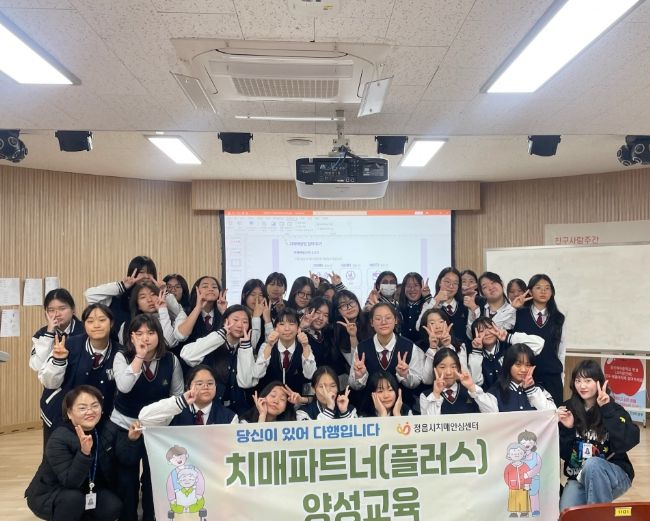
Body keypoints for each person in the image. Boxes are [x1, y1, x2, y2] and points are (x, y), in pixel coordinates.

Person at [25, 385, 142, 521]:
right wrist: (84, 453)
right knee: (73, 499)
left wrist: (131, 439)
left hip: (87, 489)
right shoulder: (59, 438)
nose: (90, 411)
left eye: (95, 406)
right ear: (69, 412)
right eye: (82, 408)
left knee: (111, 505)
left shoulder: (106, 429)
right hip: (51, 493)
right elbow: (70, 481)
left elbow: (126, 459)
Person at [110, 314, 184, 521]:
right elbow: (124, 387)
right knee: (127, 480)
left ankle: (152, 516)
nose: (145, 338)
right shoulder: (121, 357)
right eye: (139, 333)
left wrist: (160, 422)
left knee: (154, 479)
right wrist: (139, 356)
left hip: (157, 430)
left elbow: (177, 396)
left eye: (151, 333)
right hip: (124, 426)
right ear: (131, 337)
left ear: (159, 335)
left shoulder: (171, 360)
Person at [558, 360, 640, 510]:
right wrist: (568, 429)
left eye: (587, 381)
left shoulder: (613, 409)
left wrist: (606, 409)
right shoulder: (567, 409)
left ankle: (599, 515)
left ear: (598, 382)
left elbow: (628, 441)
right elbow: (564, 454)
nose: (582, 386)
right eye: (578, 380)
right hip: (578, 476)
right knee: (567, 512)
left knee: (593, 464)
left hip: (614, 474)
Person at [38, 304, 119, 447]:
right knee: (59, 456)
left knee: (94, 457)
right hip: (60, 413)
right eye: (90, 321)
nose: (96, 325)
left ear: (111, 323)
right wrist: (59, 360)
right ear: (84, 325)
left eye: (102, 320)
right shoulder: (68, 344)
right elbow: (49, 382)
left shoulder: (120, 352)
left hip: (98, 418)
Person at [180, 305, 256, 415]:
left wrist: (245, 347)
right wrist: (221, 334)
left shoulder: (247, 349)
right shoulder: (212, 341)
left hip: (237, 412)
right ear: (225, 321)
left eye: (245, 322)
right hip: (208, 410)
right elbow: (186, 355)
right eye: (235, 320)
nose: (240, 325)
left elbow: (246, 382)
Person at [349, 302, 424, 410]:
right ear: (371, 322)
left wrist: (405, 375)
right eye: (378, 319)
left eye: (388, 318)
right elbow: (353, 385)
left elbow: (416, 383)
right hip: (369, 410)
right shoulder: (361, 348)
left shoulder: (410, 347)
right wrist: (359, 376)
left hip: (403, 410)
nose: (383, 322)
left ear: (396, 320)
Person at [513, 274, 566, 406]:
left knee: (553, 413)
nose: (543, 291)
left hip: (552, 375)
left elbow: (561, 349)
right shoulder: (519, 314)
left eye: (547, 288)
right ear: (530, 291)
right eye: (538, 288)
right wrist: (512, 308)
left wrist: (561, 375)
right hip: (526, 375)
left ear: (552, 292)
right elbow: (499, 330)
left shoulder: (558, 318)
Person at [465, 344, 556, 413]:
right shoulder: (496, 391)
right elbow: (490, 415)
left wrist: (531, 390)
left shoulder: (539, 390)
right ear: (508, 365)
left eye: (528, 365)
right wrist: (471, 386)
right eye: (518, 364)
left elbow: (552, 414)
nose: (523, 370)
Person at [139, 365, 238, 426]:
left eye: (210, 383)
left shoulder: (230, 417)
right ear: (188, 387)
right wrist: (180, 402)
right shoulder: (175, 410)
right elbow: (144, 419)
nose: (206, 387)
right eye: (199, 384)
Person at [250, 308, 316, 398]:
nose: (287, 328)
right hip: (270, 399)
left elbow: (310, 375)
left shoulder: (305, 346)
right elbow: (257, 374)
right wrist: (269, 345)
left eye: (292, 324)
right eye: (282, 324)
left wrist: (305, 346)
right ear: (275, 328)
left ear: (298, 328)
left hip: (296, 400)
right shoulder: (266, 346)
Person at [84, 255, 158, 333]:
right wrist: (123, 285)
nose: (146, 276)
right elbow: (90, 295)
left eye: (150, 272)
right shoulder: (118, 296)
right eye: (142, 272)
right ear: (132, 273)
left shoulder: (158, 296)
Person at [467, 316, 544, 391]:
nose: (487, 333)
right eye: (481, 331)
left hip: (520, 395)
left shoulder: (510, 345)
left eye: (490, 328)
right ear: (475, 336)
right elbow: (476, 382)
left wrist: (508, 337)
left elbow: (538, 345)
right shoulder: (475, 356)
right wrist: (476, 352)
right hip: (491, 398)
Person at [30, 289, 84, 372]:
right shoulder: (41, 334)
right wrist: (49, 334)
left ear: (73, 309)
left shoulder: (86, 330)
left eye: (62, 309)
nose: (57, 314)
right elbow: (37, 366)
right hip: (53, 380)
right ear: (46, 313)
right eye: (51, 310)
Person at [418, 268, 469, 346]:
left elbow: (471, 333)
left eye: (455, 283)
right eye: (447, 282)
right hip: (435, 349)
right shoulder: (430, 303)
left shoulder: (465, 305)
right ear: (439, 282)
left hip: (461, 350)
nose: (451, 286)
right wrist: (436, 301)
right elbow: (419, 326)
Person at [420, 348, 479, 415]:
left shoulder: (471, 390)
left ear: (459, 368)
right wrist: (436, 394)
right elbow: (430, 421)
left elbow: (489, 412)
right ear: (435, 369)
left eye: (453, 367)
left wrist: (471, 387)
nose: (448, 372)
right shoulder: (426, 396)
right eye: (442, 367)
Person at [174, 276, 228, 347]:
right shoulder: (185, 312)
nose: (211, 289)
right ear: (196, 291)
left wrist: (224, 312)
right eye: (205, 286)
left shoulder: (223, 312)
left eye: (214, 287)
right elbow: (181, 336)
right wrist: (198, 308)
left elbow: (234, 335)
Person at [466, 271, 516, 339]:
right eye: (485, 287)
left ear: (501, 284)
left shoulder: (513, 310)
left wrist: (512, 308)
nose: (490, 287)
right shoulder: (478, 309)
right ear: (482, 294)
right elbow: (471, 336)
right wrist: (473, 311)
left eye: (493, 282)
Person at [398, 272, 432, 343]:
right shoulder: (398, 308)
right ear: (404, 288)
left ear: (421, 287)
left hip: (425, 346)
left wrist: (427, 297)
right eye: (408, 286)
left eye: (416, 285)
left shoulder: (428, 306)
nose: (412, 289)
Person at [240, 278, 272, 351]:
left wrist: (268, 321)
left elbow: (271, 343)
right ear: (244, 296)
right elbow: (252, 346)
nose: (257, 298)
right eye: (253, 294)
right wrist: (256, 317)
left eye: (261, 295)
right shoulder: (239, 316)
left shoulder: (266, 315)